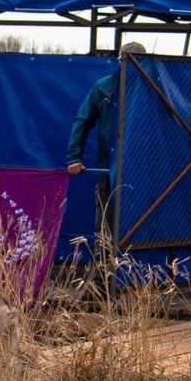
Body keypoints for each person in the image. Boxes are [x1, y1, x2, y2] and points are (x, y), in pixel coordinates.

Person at [65, 41, 146, 246]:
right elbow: (82, 121)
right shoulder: (104, 87)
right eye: (126, 61)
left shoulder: (156, 85)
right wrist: (74, 157)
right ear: (120, 61)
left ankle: (140, 271)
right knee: (105, 222)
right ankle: (104, 270)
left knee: (143, 220)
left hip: (145, 167)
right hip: (109, 167)